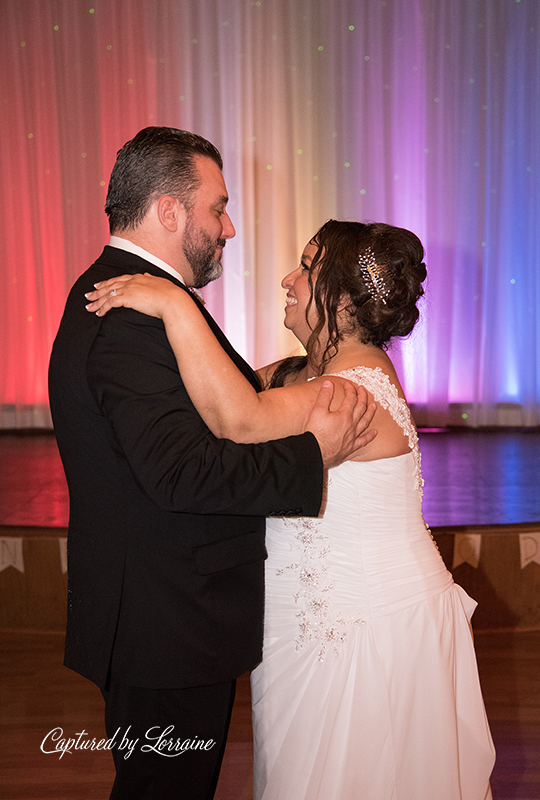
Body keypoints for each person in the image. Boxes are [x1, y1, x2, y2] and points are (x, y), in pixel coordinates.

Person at [86, 218, 496, 799]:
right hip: (303, 631)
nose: (288, 278)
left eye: (307, 267)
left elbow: (237, 419)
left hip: (363, 628)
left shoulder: (354, 391)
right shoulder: (300, 376)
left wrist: (176, 307)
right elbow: (212, 401)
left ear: (347, 301)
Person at [48, 128, 377, 800]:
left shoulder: (132, 299)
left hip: (163, 615)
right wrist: (315, 457)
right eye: (217, 207)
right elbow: (183, 473)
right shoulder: (129, 319)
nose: (227, 228)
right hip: (165, 623)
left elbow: (211, 404)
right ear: (169, 211)